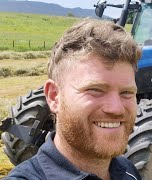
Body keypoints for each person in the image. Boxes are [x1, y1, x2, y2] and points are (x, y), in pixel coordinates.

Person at [5, 18, 142, 180]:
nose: (116, 108)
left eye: (126, 92)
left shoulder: (128, 171)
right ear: (54, 97)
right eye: (95, 90)